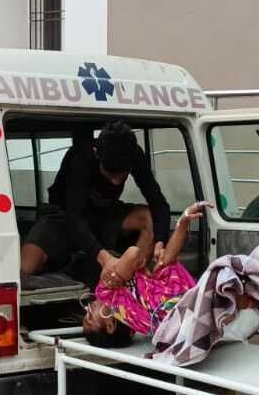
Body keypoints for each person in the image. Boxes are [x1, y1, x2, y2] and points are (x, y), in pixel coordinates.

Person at [80, 202, 259, 347]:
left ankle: (252, 298)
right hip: (185, 319)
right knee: (227, 298)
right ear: (110, 325)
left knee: (224, 289)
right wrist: (126, 265)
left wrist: (183, 223)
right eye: (89, 316)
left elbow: (156, 258)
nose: (88, 307)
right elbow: (135, 255)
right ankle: (254, 300)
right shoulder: (123, 303)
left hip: (192, 310)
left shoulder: (107, 290)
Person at [21, 122, 172, 287]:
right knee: (27, 266)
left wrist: (160, 243)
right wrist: (105, 258)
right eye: (110, 175)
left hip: (104, 213)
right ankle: (71, 265)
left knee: (147, 216)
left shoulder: (135, 155)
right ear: (96, 154)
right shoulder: (79, 157)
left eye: (122, 176)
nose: (115, 183)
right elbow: (74, 216)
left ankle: (133, 277)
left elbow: (159, 204)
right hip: (64, 215)